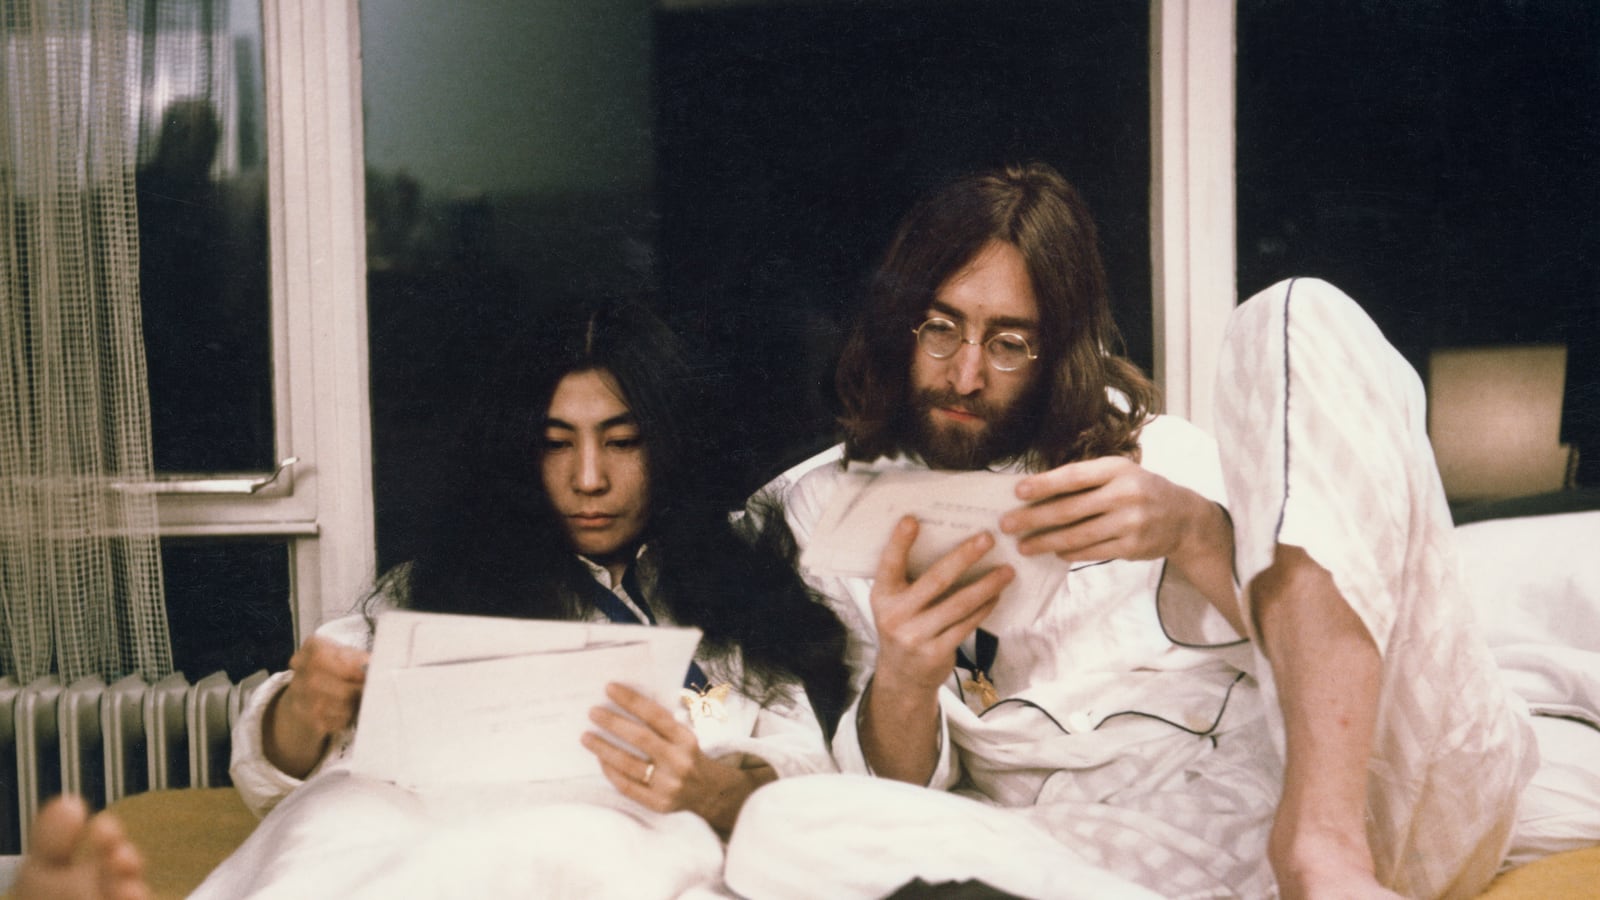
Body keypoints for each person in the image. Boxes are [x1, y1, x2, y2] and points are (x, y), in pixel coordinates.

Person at [723, 162, 1557, 899]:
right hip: (1108, 853)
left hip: (1355, 788)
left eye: (1009, 343)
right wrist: (905, 673)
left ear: (1058, 353)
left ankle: (1323, 850)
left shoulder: (1161, 457)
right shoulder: (818, 505)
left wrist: (1195, 533)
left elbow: (1337, 624)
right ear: (899, 322)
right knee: (787, 830)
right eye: (941, 329)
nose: (966, 373)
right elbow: (897, 789)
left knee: (1296, 310)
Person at [191, 299, 850, 898]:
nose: (588, 479)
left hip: (603, 849)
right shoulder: (438, 588)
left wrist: (718, 794)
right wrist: (302, 711)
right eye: (554, 445)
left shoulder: (735, 598)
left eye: (621, 443)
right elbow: (276, 777)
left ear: (672, 449)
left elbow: (806, 777)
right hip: (425, 844)